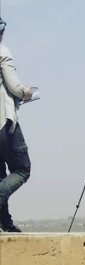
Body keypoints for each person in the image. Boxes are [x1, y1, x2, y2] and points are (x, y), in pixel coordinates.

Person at [0, 17, 32, 233]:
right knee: (22, 169)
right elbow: (15, 87)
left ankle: (5, 223)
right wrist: (27, 93)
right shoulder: (2, 51)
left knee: (1, 176)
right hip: (3, 122)